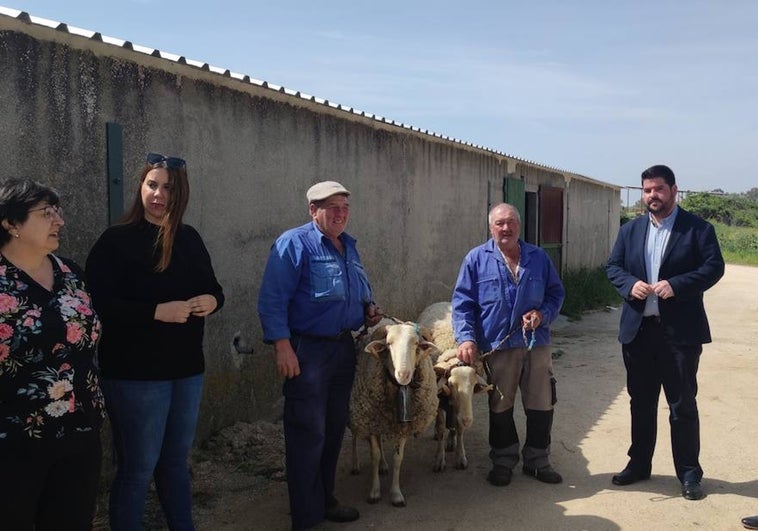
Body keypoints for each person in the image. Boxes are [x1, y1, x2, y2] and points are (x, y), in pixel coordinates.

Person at [85, 153, 224, 530]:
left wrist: (212, 301)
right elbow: (95, 303)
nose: (158, 194)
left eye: (168, 187)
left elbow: (213, 289)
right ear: (140, 187)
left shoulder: (189, 239)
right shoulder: (116, 241)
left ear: (181, 194)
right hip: (135, 375)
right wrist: (154, 312)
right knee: (137, 469)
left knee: (176, 463)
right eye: (152, 185)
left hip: (187, 372)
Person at [258, 181, 382, 531]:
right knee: (306, 432)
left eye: (345, 207)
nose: (341, 213)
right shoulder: (294, 244)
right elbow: (272, 300)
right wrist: (282, 346)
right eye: (332, 207)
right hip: (307, 351)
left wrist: (368, 310)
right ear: (313, 210)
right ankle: (306, 515)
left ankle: (325, 498)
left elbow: (355, 293)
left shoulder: (349, 247)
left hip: (343, 349)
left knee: (332, 430)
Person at [606, 164, 724, 501]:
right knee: (640, 403)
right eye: (646, 190)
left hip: (679, 335)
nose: (652, 196)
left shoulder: (698, 229)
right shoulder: (631, 230)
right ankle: (639, 465)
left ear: (673, 190)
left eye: (658, 189)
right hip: (639, 332)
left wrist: (677, 285)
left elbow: (714, 267)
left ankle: (689, 474)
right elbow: (613, 267)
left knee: (682, 406)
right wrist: (631, 285)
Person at [0, 178, 104, 530]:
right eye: (46, 213)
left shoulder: (71, 273)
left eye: (57, 211)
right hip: (15, 443)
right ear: (11, 224)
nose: (58, 220)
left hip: (79, 434)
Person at [452, 202, 565, 487]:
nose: (506, 227)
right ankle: (503, 461)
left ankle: (538, 461)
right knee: (500, 405)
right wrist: (466, 337)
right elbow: (462, 304)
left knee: (541, 404)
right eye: (500, 223)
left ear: (519, 225)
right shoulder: (476, 259)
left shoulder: (538, 257)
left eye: (511, 221)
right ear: (491, 227)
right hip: (498, 345)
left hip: (535, 342)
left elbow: (555, 293)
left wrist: (543, 314)